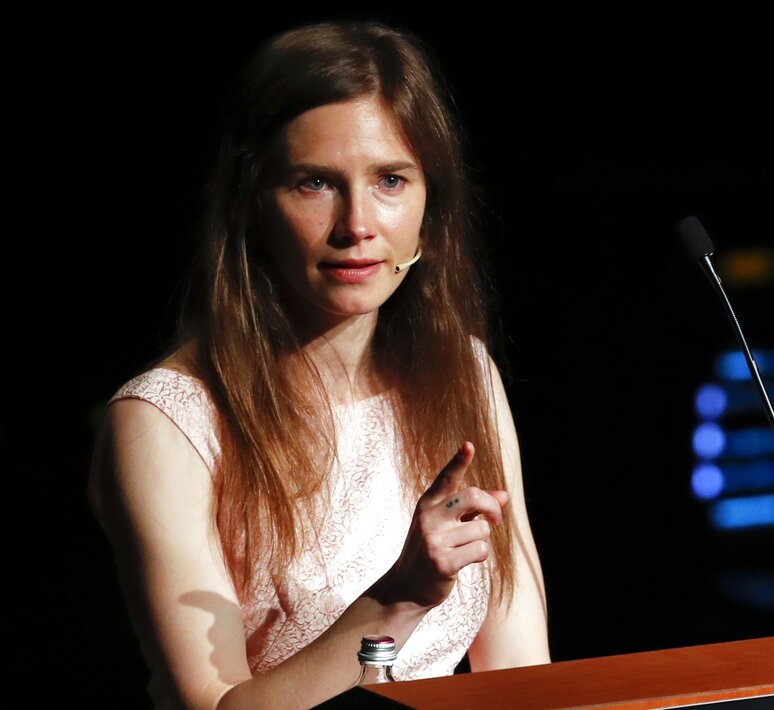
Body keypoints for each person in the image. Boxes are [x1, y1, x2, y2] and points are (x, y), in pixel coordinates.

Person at [88, 19, 550, 709]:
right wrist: (395, 601)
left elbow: (524, 676)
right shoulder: (164, 423)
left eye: (391, 180)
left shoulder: (464, 373)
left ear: (431, 204)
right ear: (251, 204)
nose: (357, 224)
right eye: (314, 184)